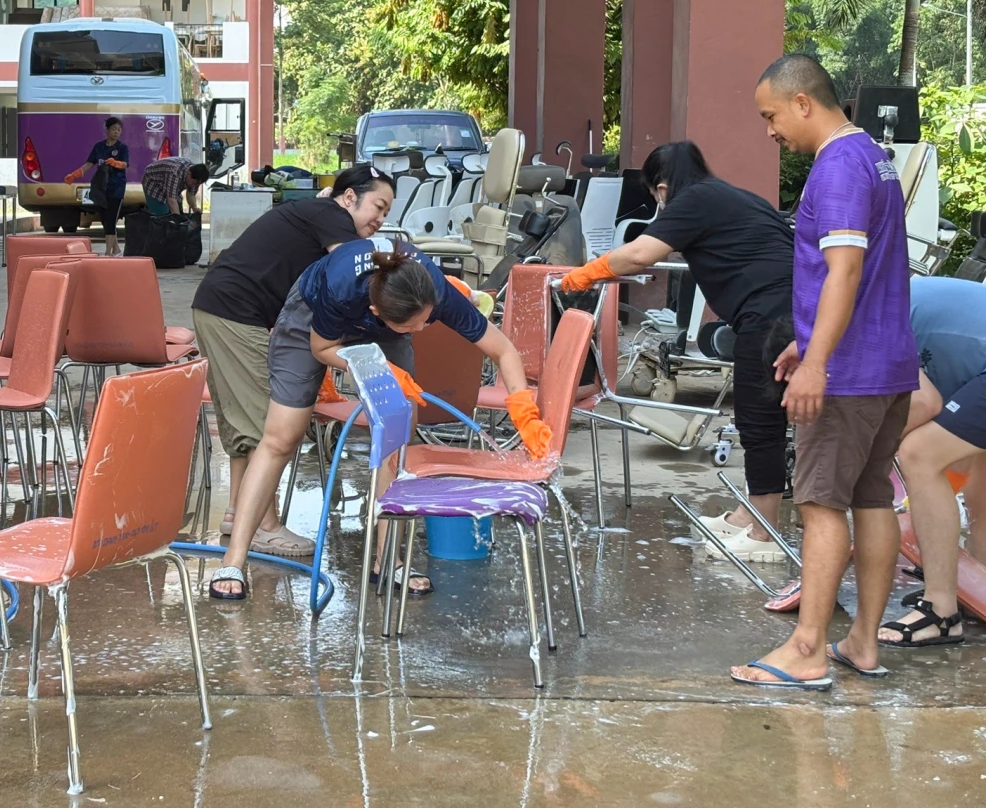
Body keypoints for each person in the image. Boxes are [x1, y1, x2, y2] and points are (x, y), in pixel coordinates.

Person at [208, 238, 551, 600]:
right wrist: (378, 367)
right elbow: (321, 349)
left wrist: (524, 411)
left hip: (389, 324)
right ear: (375, 310)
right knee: (282, 436)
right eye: (414, 326)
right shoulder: (338, 288)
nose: (422, 331)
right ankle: (233, 560)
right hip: (313, 322)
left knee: (398, 436)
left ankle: (389, 561)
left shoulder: (429, 292)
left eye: (427, 321)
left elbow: (503, 350)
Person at [732, 54, 917, 689]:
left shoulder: (837, 166)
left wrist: (816, 362)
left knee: (818, 503)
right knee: (871, 498)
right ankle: (862, 641)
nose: (770, 131)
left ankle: (808, 648)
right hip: (887, 365)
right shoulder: (873, 156)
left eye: (771, 116)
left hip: (848, 375)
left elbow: (843, 271)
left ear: (803, 102)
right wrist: (806, 344)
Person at [560, 140, 794, 561]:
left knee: (761, 423)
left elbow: (641, 254)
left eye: (655, 196)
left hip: (772, 314)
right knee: (758, 419)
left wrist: (585, 274)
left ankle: (764, 535)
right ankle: (749, 515)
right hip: (781, 310)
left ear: (663, 188)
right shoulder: (729, 196)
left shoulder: (695, 199)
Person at [192, 164, 396, 557]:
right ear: (350, 198)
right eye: (378, 206)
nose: (381, 219)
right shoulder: (333, 218)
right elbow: (354, 272)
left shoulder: (321, 213)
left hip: (220, 307)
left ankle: (238, 512)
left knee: (245, 421)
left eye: (387, 212)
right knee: (267, 425)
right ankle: (265, 526)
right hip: (236, 313)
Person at [877, 276, 986, 647]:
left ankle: (940, 612)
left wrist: (865, 457)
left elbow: (925, 404)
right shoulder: (882, 299)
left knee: (920, 453)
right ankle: (979, 582)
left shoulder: (870, 318)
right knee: (976, 466)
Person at [65, 117, 129, 256]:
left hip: (116, 188)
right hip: (100, 188)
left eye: (119, 130)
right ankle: (116, 248)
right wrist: (74, 175)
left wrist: (115, 163)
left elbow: (125, 164)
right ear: (107, 130)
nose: (116, 132)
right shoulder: (98, 147)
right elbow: (89, 164)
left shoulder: (122, 147)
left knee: (111, 219)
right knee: (105, 219)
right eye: (114, 129)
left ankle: (108, 252)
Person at [142, 156, 209, 217]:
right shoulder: (174, 173)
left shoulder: (197, 176)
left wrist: (194, 207)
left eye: (198, 185)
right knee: (162, 217)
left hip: (170, 182)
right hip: (154, 182)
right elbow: (171, 200)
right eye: (194, 183)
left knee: (179, 209)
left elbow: (191, 194)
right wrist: (178, 222)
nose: (195, 186)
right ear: (189, 174)